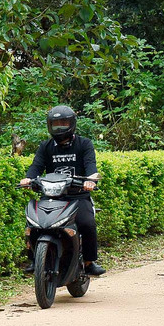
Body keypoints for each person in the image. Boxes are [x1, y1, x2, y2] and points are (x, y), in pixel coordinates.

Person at [21, 105, 105, 276]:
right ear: (49, 125)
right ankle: (35, 260)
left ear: (72, 124)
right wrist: (28, 179)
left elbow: (91, 166)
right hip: (52, 197)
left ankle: (89, 262)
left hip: (78, 196)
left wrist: (90, 180)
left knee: (87, 223)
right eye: (56, 124)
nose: (59, 128)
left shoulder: (84, 144)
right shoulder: (46, 146)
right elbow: (36, 166)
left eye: (63, 123)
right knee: (33, 224)